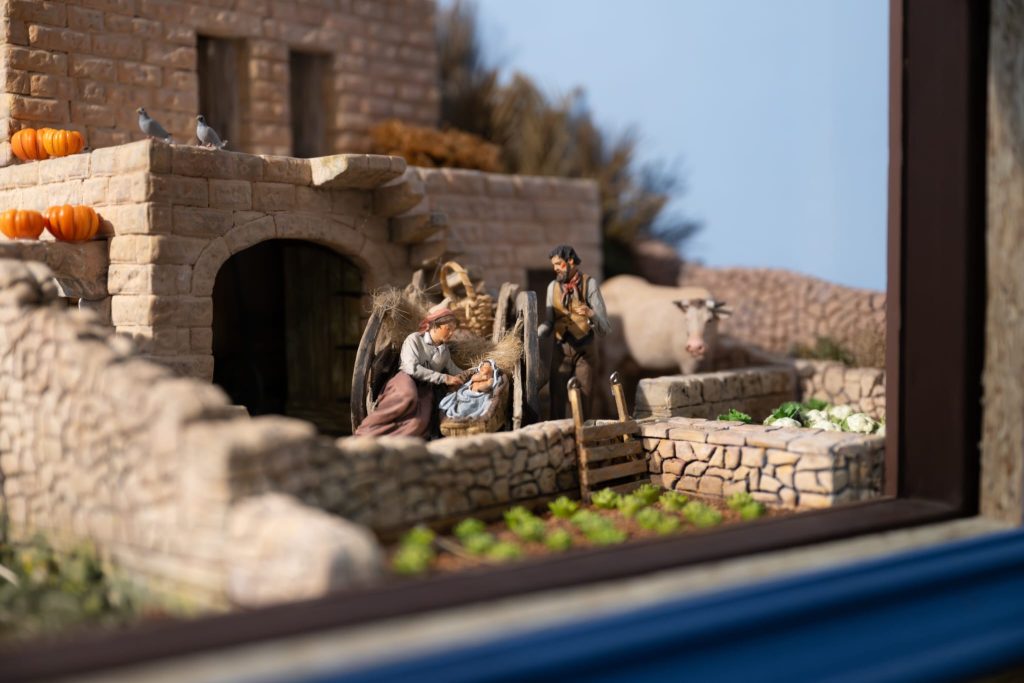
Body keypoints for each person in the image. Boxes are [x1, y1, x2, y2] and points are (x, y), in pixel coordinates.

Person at [354, 308, 466, 438]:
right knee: (407, 395)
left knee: (420, 422)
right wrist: (443, 378)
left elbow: (453, 369)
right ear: (435, 326)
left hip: (425, 386)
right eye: (448, 328)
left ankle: (395, 440)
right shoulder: (415, 339)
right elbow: (411, 368)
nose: (451, 333)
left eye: (453, 330)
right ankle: (365, 431)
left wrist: (474, 371)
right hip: (406, 378)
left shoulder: (444, 350)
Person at [537, 245, 611, 419]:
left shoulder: (589, 284)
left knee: (584, 400)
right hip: (561, 350)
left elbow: (605, 328)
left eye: (559, 264)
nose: (555, 269)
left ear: (570, 261)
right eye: (553, 265)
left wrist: (590, 313)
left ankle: (582, 432)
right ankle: (558, 433)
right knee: (556, 399)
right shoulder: (552, 287)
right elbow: (549, 322)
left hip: (585, 351)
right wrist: (536, 333)